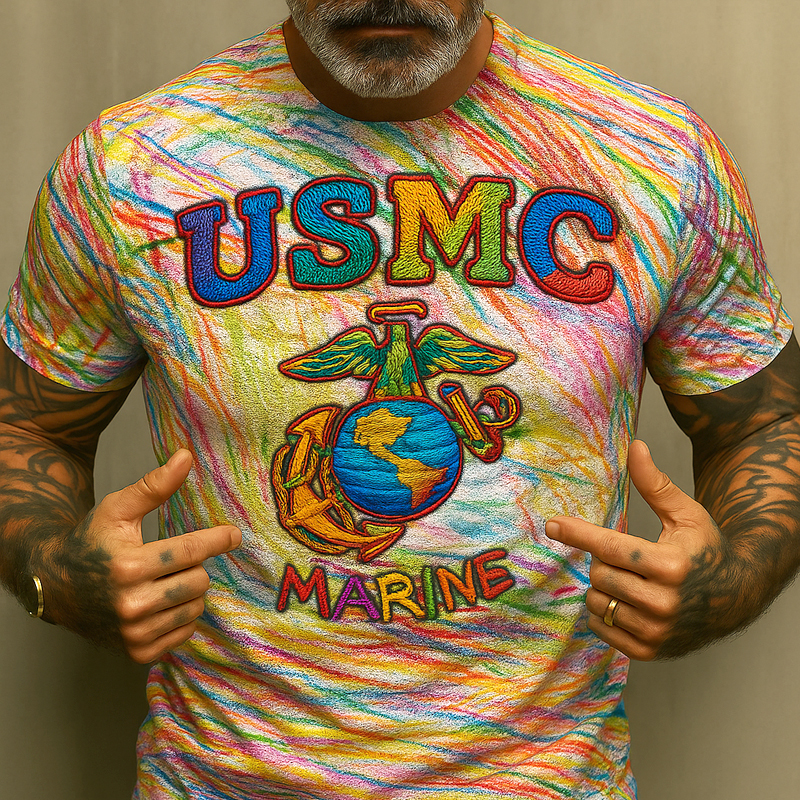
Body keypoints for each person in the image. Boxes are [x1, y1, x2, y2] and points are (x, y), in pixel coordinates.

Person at [1, 0, 798, 797]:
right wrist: (56, 575)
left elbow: (767, 421)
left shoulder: (655, 157)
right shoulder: (131, 166)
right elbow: (27, 426)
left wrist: (730, 579)